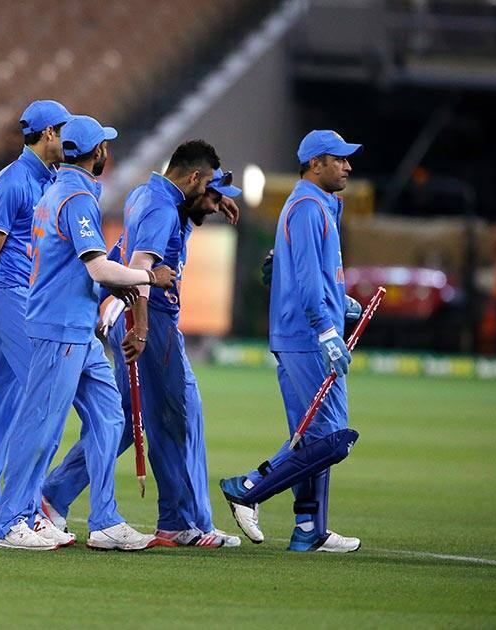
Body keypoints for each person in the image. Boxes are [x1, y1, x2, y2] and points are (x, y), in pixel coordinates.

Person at [42, 144, 244, 548]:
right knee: (174, 417)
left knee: (125, 420)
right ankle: (179, 521)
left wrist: (113, 303)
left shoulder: (152, 197)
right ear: (193, 181)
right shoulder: (163, 208)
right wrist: (141, 326)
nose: (218, 202)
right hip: (150, 319)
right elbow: (139, 268)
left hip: (137, 315)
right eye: (214, 192)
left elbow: (122, 251)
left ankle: (52, 496)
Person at [0, 115, 175, 551]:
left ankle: (105, 519)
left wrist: (114, 283)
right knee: (41, 425)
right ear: (98, 154)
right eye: (105, 146)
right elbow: (95, 265)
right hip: (58, 327)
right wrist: (145, 279)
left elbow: (76, 266)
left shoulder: (60, 191)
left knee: (110, 417)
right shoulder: (74, 197)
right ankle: (10, 520)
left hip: (76, 326)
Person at [219, 130, 364, 553]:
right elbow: (303, 275)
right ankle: (247, 487)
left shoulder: (318, 204)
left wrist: (341, 303)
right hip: (307, 337)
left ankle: (308, 529)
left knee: (311, 436)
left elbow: (307, 271)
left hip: (306, 331)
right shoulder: (306, 206)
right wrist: (326, 327)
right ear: (315, 164)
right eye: (339, 159)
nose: (348, 166)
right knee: (330, 439)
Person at [0, 100, 72, 544]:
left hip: (31, 300)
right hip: (15, 298)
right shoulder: (12, 182)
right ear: (47, 135)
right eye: (63, 133)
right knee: (42, 406)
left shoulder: (49, 179)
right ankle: (19, 513)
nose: (68, 142)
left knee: (4, 410)